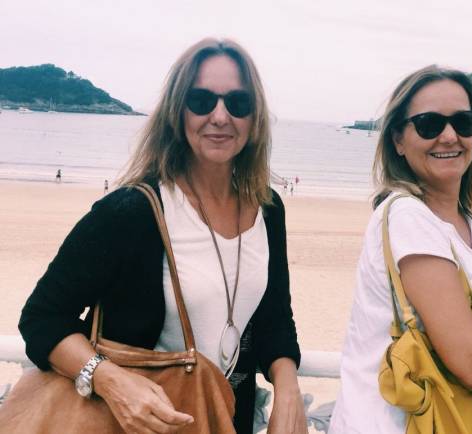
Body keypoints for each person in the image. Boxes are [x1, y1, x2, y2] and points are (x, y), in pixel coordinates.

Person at [18, 38, 306, 434]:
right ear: (177, 111)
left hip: (221, 419)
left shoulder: (268, 207)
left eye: (238, 103)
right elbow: (41, 318)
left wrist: (287, 386)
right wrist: (107, 379)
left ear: (255, 118)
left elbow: (274, 316)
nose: (220, 116)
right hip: (135, 423)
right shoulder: (131, 212)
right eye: (201, 100)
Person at [329, 65, 472, 433]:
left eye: (464, 122)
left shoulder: (470, 227)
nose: (449, 136)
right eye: (429, 124)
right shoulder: (410, 218)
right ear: (398, 139)